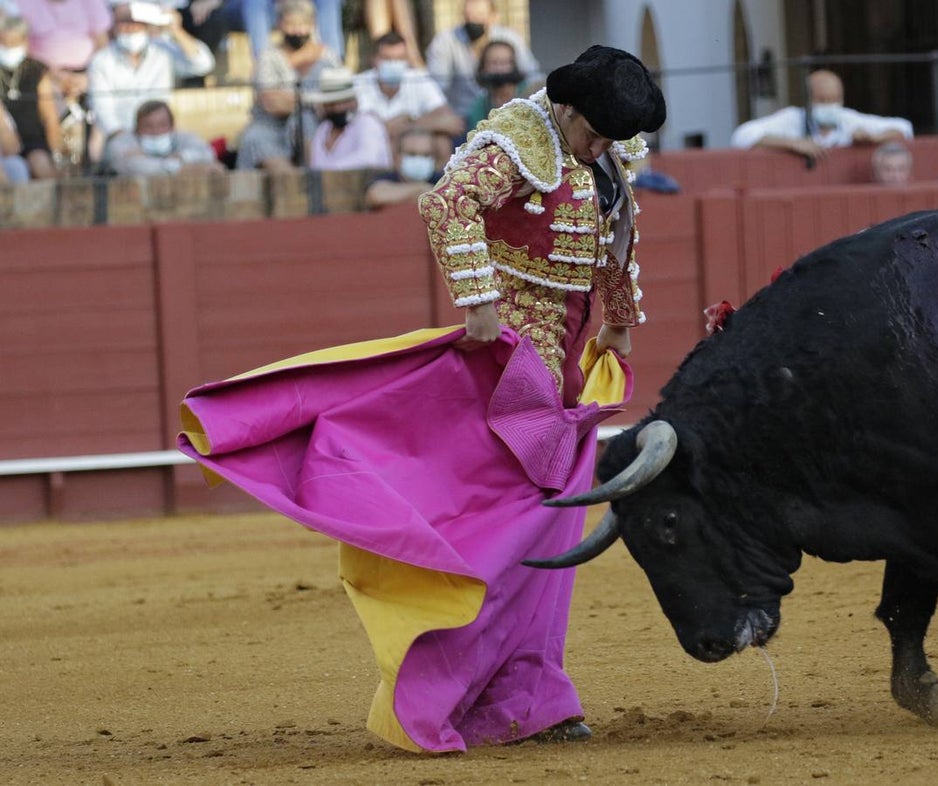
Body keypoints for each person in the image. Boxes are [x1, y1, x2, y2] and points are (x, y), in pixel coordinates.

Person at [177, 43, 664, 754]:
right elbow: (448, 202)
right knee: (516, 526)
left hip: (560, 357)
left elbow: (616, 231)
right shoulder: (519, 140)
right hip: (510, 362)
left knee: (548, 526)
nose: (599, 148)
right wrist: (479, 303)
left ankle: (530, 693)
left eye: (610, 139)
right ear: (564, 108)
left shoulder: (599, 150)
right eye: (593, 133)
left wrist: (618, 320)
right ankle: (478, 694)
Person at [87, 1, 214, 151]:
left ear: (146, 25)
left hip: (163, 133)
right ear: (115, 26)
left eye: (136, 23)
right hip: (125, 137)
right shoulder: (102, 60)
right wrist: (127, 142)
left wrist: (177, 31)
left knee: (200, 149)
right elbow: (103, 111)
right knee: (138, 164)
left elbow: (203, 63)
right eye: (124, 23)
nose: (131, 28)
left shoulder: (161, 51)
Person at [234, 0, 339, 172]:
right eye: (291, 24)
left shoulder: (328, 56)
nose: (298, 31)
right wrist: (313, 101)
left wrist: (293, 100)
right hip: (272, 128)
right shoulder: (268, 57)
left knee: (307, 123)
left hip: (319, 126)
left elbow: (337, 98)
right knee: (257, 140)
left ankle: (319, 181)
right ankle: (295, 187)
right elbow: (271, 102)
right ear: (280, 24)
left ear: (312, 24)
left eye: (303, 25)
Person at [730, 69, 912, 159]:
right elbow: (741, 135)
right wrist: (793, 143)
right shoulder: (792, 118)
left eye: (835, 99)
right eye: (822, 100)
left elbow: (904, 128)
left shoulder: (848, 118)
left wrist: (874, 137)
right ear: (808, 101)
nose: (830, 106)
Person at [352, 30, 461, 166]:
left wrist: (409, 124)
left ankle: (440, 185)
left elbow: (453, 123)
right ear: (374, 59)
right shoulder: (357, 85)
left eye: (399, 59)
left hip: (411, 147)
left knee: (441, 142)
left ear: (407, 60)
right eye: (387, 58)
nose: (393, 64)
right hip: (372, 150)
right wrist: (387, 130)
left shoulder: (419, 79)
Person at [424, 0, 540, 118]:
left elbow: (533, 75)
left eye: (479, 15)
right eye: (468, 16)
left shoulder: (510, 38)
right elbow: (436, 88)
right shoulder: (445, 41)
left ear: (493, 17)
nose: (473, 21)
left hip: (507, 111)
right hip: (461, 116)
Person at [0, 15, 60, 178]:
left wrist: (55, 154)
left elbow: (50, 117)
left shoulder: (36, 70)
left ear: (24, 42)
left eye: (14, 43)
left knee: (41, 166)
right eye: (4, 43)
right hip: (4, 142)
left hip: (32, 139)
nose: (8, 48)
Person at [15, 0, 110, 102]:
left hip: (88, 75)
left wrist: (88, 77)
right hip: (43, 78)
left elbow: (103, 45)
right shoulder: (22, 3)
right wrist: (55, 78)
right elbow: (20, 47)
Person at [304, 65, 391, 171]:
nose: (339, 108)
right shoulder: (323, 130)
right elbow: (315, 166)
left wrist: (329, 170)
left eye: (345, 101)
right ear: (325, 105)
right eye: (333, 103)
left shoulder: (367, 123)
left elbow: (369, 158)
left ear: (355, 101)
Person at [104, 98, 223, 175]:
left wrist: (182, 156)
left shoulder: (184, 137)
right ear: (136, 129)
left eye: (162, 125)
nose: (156, 131)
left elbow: (207, 154)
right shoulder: (120, 143)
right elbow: (139, 168)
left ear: (172, 126)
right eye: (148, 126)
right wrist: (191, 168)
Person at [237, 0, 344, 63]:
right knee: (254, 2)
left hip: (303, 7)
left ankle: (334, 64)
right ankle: (264, 66)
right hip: (266, 8)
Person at [363, 125, 438, 207]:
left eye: (425, 155)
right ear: (397, 157)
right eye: (412, 154)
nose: (419, 160)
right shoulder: (387, 178)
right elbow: (375, 195)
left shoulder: (441, 180)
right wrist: (419, 189)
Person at [464, 38, 527, 132]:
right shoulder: (479, 106)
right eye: (494, 63)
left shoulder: (530, 93)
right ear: (483, 67)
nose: (500, 69)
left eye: (505, 63)